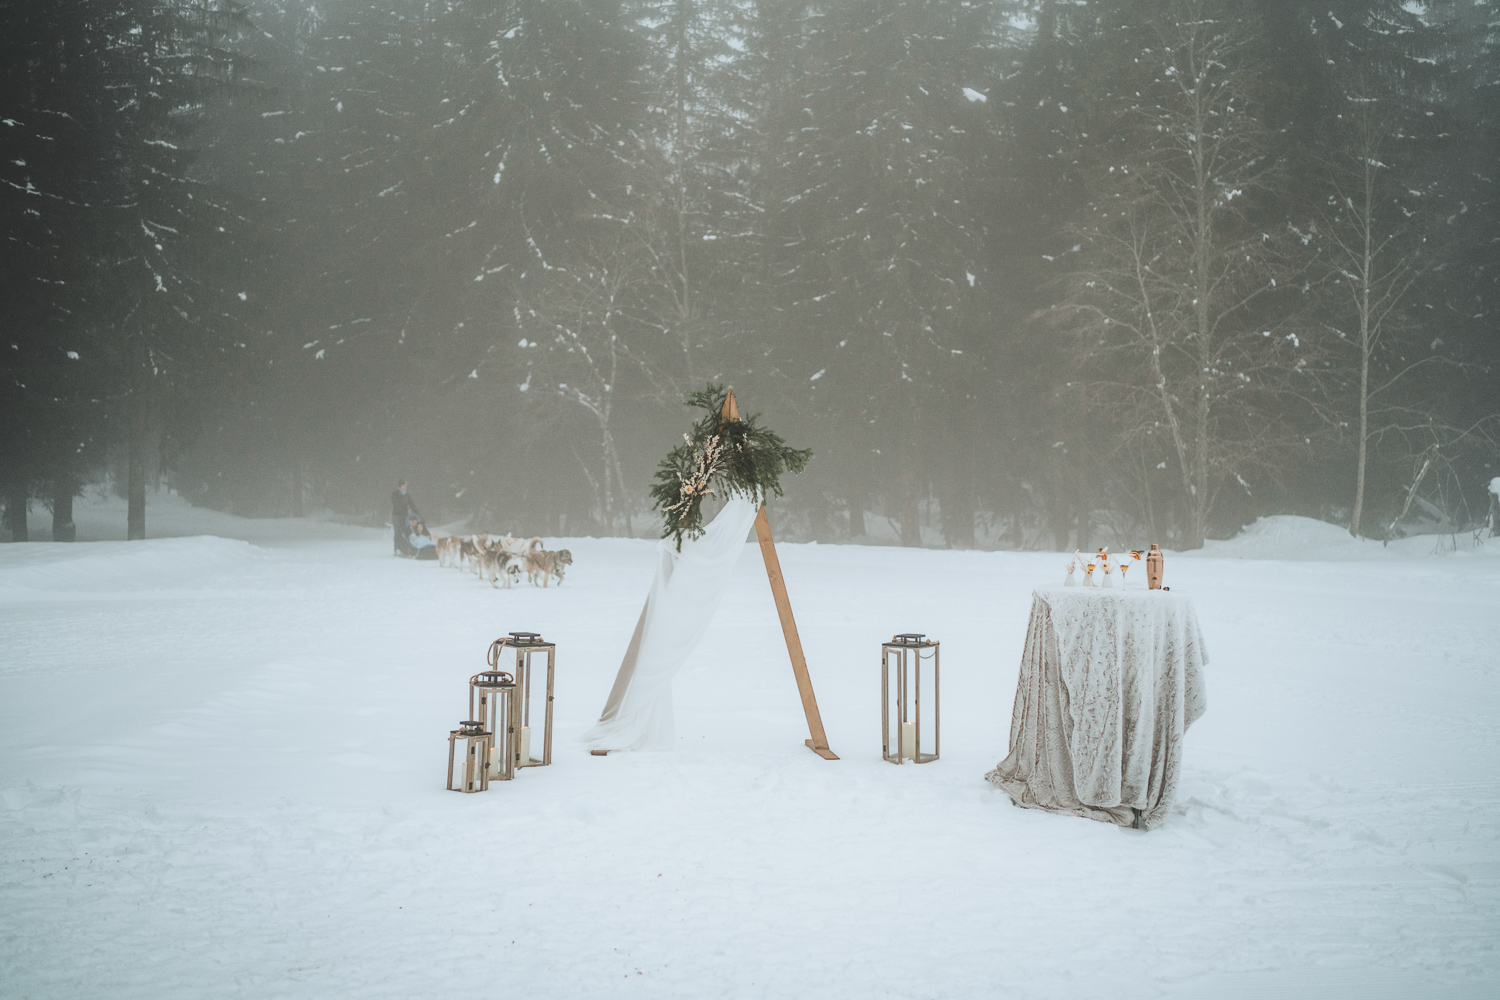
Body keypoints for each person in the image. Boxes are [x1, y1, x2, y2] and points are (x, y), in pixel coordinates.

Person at [391, 480, 419, 556]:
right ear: (400, 487)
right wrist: (402, 507)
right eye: (403, 486)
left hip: (405, 516)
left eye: (405, 486)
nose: (405, 487)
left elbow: (411, 504)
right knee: (398, 532)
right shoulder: (395, 494)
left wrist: (416, 513)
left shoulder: (407, 495)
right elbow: (395, 503)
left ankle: (405, 549)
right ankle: (397, 549)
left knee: (405, 533)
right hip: (396, 516)